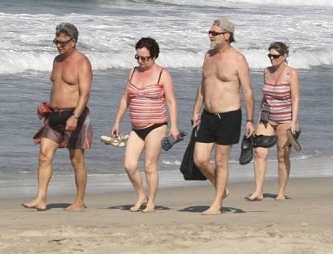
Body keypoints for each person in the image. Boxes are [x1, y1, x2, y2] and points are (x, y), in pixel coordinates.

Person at [23, 22, 93, 212]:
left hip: (74, 115)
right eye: (56, 41)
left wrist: (75, 116)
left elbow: (85, 94)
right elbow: (58, 86)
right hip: (54, 115)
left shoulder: (82, 62)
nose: (59, 45)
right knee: (44, 156)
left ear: (73, 41)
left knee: (76, 160)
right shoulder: (57, 60)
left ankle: (79, 201)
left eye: (62, 42)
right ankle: (40, 198)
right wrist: (47, 104)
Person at [191, 18, 254, 215]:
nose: (210, 35)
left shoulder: (238, 59)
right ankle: (221, 188)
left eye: (214, 33)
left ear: (227, 36)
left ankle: (217, 205)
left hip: (229, 115)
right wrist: (196, 110)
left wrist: (250, 120)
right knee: (199, 159)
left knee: (220, 161)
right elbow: (203, 85)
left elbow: (248, 92)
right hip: (208, 115)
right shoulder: (208, 56)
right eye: (209, 32)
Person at [111, 37, 180, 212]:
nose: (141, 61)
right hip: (136, 127)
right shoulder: (133, 72)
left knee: (149, 165)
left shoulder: (162, 74)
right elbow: (125, 98)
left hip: (156, 125)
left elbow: (171, 101)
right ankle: (141, 195)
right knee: (129, 165)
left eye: (145, 58)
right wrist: (117, 121)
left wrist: (174, 126)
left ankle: (151, 203)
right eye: (138, 57)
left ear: (154, 56)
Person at [246, 41, 301, 201]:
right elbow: (265, 97)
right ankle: (258, 191)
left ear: (284, 56)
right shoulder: (266, 71)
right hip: (267, 119)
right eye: (269, 55)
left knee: (282, 155)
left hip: (285, 119)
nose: (272, 58)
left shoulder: (291, 73)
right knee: (259, 152)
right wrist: (257, 119)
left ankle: (281, 192)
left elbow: (295, 98)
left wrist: (294, 121)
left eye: (275, 56)